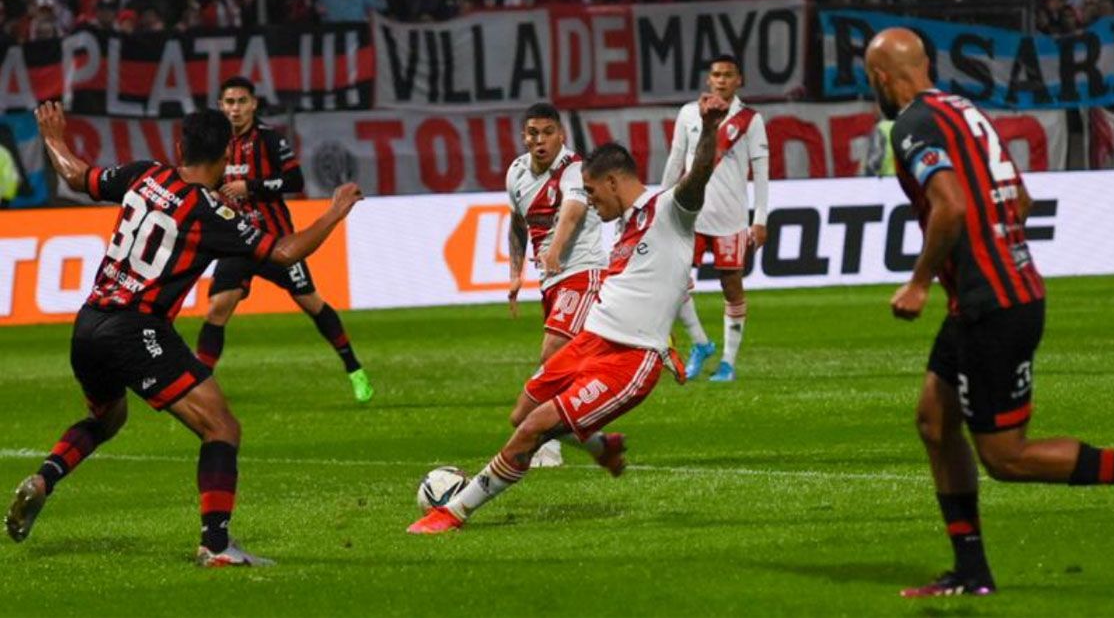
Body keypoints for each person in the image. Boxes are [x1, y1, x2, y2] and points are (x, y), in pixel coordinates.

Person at [864, 28, 1114, 598]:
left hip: (993, 306)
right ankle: (971, 572)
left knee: (1007, 458)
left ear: (881, 78)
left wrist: (918, 283)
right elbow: (1020, 198)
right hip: (991, 295)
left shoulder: (914, 124)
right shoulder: (964, 110)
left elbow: (951, 206)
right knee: (934, 422)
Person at [6, 101, 363, 566]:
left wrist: (53, 137)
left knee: (108, 419)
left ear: (180, 147)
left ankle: (44, 478)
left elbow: (77, 177)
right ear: (224, 159)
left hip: (89, 322)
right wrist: (334, 211)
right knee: (222, 428)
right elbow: (284, 252)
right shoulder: (210, 212)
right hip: (137, 329)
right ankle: (216, 546)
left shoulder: (144, 174)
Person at [406, 93, 731, 535]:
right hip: (591, 344)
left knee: (536, 427)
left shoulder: (669, 210)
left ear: (614, 182)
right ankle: (602, 449)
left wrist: (710, 128)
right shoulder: (625, 227)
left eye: (594, 195)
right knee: (522, 412)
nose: (592, 205)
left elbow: (700, 175)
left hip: (627, 361)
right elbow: (652, 284)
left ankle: (453, 512)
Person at [195, 77, 374, 403]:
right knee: (218, 309)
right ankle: (199, 385)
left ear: (254, 105)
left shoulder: (269, 139)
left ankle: (354, 369)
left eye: (241, 101)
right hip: (237, 242)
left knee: (312, 304)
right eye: (229, 102)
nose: (235, 109)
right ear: (221, 106)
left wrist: (252, 187)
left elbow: (295, 180)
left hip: (277, 244)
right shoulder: (214, 144)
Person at [505, 103, 607, 468]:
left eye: (548, 132)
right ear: (524, 136)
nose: (540, 140)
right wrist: (516, 273)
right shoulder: (516, 172)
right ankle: (593, 440)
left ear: (561, 135)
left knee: (552, 355)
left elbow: (573, 210)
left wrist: (556, 250)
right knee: (570, 366)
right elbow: (517, 224)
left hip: (582, 270)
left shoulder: (574, 168)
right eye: (533, 133)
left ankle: (542, 441)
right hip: (552, 282)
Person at [661, 55, 769, 382]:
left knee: (731, 286)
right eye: (716, 74)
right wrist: (660, 203)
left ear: (739, 80)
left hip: (731, 218)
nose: (721, 80)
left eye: (728, 75)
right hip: (689, 216)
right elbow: (676, 160)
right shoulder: (689, 114)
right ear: (709, 79)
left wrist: (760, 218)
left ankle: (727, 363)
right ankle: (701, 343)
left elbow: (762, 172)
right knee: (675, 282)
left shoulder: (750, 120)